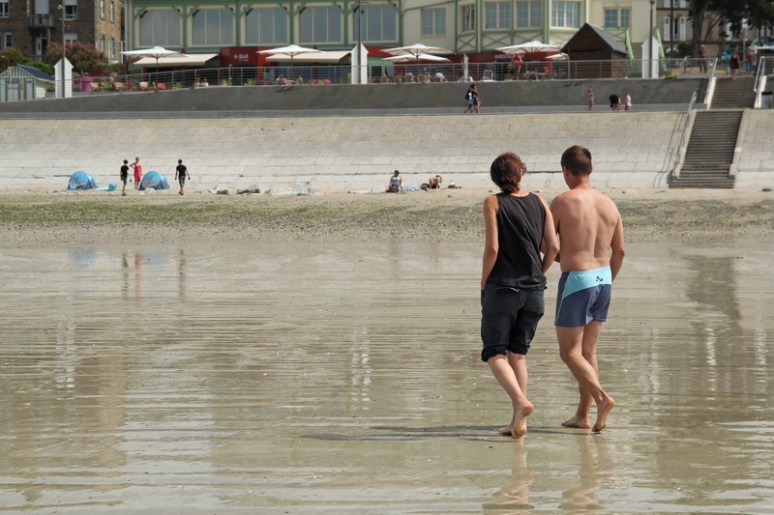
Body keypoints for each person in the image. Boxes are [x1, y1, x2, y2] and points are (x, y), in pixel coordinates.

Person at [481, 152, 559, 439]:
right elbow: (551, 246)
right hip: (535, 290)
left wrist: (483, 282)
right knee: (519, 354)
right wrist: (540, 272)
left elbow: (492, 249)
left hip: (502, 287)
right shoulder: (539, 201)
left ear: (495, 177)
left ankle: (520, 402)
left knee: (494, 352)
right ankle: (518, 422)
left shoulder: (493, 202)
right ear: (521, 173)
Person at [550, 145, 625, 434]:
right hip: (603, 279)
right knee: (588, 351)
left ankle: (601, 398)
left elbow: (550, 246)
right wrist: (607, 279)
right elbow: (619, 250)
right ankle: (582, 415)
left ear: (566, 171)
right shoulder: (609, 203)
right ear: (590, 169)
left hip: (577, 279)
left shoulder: (562, 201)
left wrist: (562, 260)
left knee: (569, 353)